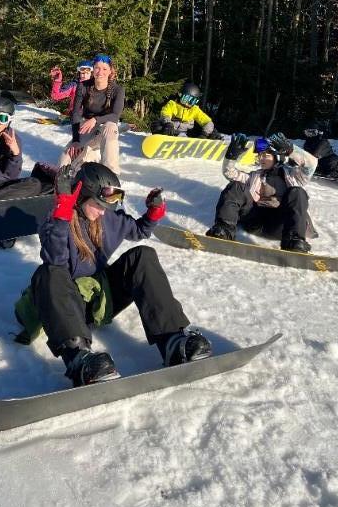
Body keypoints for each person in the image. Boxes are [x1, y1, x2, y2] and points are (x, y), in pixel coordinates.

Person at [26, 163, 212, 386]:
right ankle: (79, 358)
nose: (103, 211)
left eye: (107, 205)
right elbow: (55, 259)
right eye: (98, 204)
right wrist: (63, 211)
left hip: (98, 301)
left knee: (142, 255)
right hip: (64, 307)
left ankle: (173, 339)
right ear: (82, 196)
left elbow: (139, 230)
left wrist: (153, 213)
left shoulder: (107, 219)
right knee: (48, 273)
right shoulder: (55, 220)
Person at [206, 132, 318, 253]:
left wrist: (291, 150)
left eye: (266, 155)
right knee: (236, 186)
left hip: (281, 224)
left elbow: (311, 164)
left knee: (298, 192)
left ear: (277, 156)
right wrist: (231, 156)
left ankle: (294, 241)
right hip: (254, 221)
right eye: (260, 155)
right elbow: (230, 173)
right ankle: (224, 229)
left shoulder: (293, 176)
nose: (261, 158)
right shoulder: (254, 175)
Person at [59, 54, 125, 175]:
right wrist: (76, 140)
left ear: (110, 71)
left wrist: (95, 119)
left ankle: (110, 173)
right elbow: (76, 113)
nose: (100, 72)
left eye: (104, 69)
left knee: (110, 126)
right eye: (97, 68)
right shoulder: (83, 86)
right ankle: (88, 156)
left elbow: (115, 116)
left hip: (106, 128)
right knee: (64, 163)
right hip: (87, 127)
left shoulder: (118, 90)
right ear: (93, 69)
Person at [153, 81, 222, 140]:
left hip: (187, 133)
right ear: (180, 95)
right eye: (186, 99)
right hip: (171, 130)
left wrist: (205, 134)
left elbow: (206, 121)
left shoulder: (194, 109)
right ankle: (160, 139)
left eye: (192, 101)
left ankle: (210, 142)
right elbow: (165, 113)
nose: (188, 103)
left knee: (210, 130)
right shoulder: (172, 104)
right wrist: (168, 123)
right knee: (157, 125)